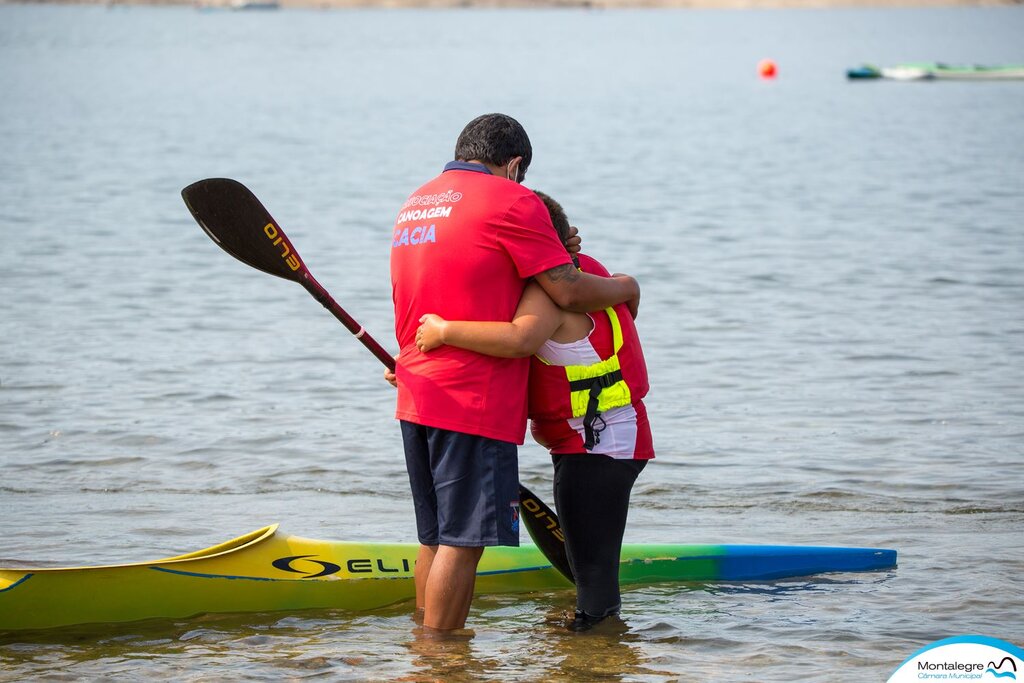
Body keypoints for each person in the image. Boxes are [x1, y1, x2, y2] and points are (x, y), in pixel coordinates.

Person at [389, 114, 641, 633]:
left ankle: (424, 640)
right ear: (515, 165)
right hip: (472, 401)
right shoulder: (511, 200)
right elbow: (567, 289)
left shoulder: (418, 201)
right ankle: (440, 662)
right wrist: (627, 285)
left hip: (418, 388)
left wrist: (419, 355)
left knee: (433, 537)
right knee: (463, 543)